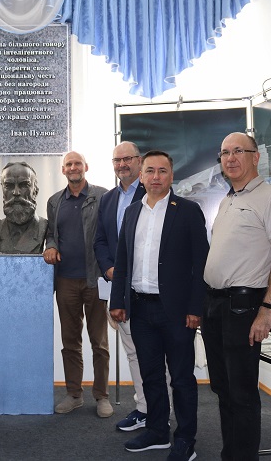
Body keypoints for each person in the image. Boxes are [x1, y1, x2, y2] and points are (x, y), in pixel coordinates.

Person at [110, 151, 208, 460]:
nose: (156, 176)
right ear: (141, 175)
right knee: (150, 375)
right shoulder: (132, 212)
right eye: (150, 170)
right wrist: (118, 301)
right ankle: (157, 431)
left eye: (162, 171)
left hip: (176, 312)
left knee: (181, 378)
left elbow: (201, 263)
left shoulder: (188, 211)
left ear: (171, 175)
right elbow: (122, 261)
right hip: (140, 309)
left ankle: (185, 439)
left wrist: (196, 308)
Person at [202, 132, 271, 461]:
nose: (230, 158)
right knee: (222, 389)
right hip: (215, 305)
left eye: (238, 151)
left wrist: (267, 309)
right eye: (224, 152)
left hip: (243, 306)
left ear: (255, 157)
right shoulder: (227, 200)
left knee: (241, 393)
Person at [43, 151, 112, 418]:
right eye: (69, 164)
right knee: (70, 341)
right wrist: (50, 246)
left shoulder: (103, 196)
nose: (73, 167)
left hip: (95, 279)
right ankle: (74, 394)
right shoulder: (54, 201)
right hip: (65, 281)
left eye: (77, 163)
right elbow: (51, 233)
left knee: (99, 342)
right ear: (63, 170)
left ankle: (102, 396)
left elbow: (110, 233)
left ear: (86, 167)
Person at [93, 141, 149, 431]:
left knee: (154, 353)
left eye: (128, 159)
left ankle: (160, 410)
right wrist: (109, 268)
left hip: (148, 287)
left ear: (139, 161)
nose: (122, 164)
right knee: (132, 351)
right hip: (119, 287)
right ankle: (144, 408)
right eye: (117, 160)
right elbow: (100, 240)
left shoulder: (153, 192)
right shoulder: (108, 198)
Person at [0, 161, 48, 254]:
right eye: (9, 186)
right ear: (3, 191)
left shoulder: (46, 227)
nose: (16, 192)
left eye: (24, 185)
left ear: (35, 192)